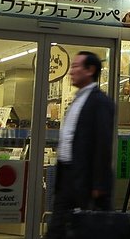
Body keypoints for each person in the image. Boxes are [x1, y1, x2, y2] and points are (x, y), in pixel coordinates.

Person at [47, 51, 115, 239]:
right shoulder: (77, 100)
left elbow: (103, 144)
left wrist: (98, 185)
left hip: (86, 179)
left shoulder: (100, 102)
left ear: (90, 70)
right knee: (57, 228)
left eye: (76, 66)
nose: (71, 71)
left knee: (85, 229)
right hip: (67, 176)